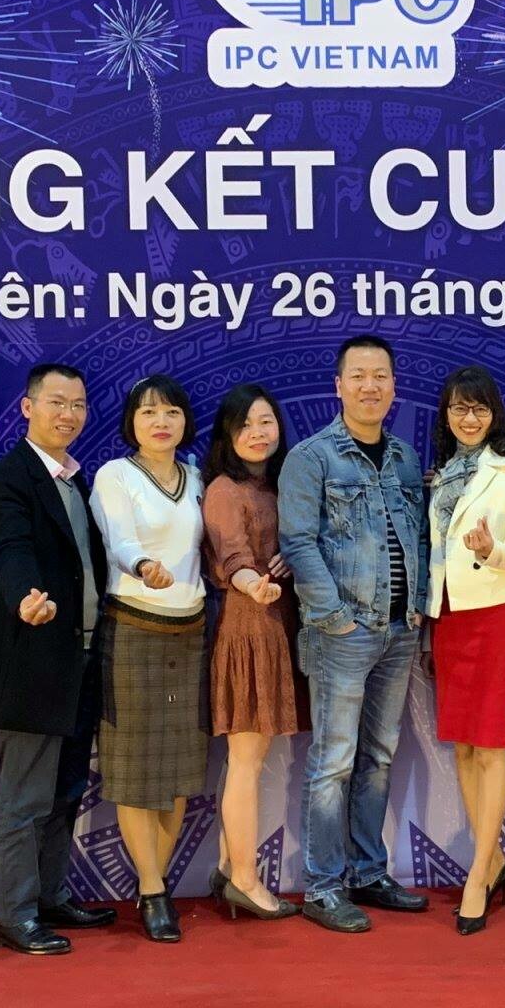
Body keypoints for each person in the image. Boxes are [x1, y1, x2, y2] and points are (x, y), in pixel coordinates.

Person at [278, 334, 431, 933]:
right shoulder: (311, 457)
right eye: (359, 376)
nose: (371, 386)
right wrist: (334, 615)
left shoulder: (404, 458)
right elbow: (298, 542)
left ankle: (368, 873)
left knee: (379, 757)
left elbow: (418, 537)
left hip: (399, 630)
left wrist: (416, 609)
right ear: (338, 385)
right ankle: (322, 886)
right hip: (341, 633)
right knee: (333, 762)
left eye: (381, 376)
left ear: (394, 387)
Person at [0, 364, 118, 956]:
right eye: (57, 402)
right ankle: (12, 914)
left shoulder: (77, 482)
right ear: (27, 407)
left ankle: (50, 896)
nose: (68, 414)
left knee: (66, 789)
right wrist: (25, 597)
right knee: (26, 796)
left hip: (81, 657)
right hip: (33, 660)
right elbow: (11, 549)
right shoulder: (10, 478)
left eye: (78, 404)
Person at [91, 375, 210, 944]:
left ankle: (152, 883)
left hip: (192, 633)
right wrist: (142, 566)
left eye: (171, 412)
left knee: (181, 768)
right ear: (131, 423)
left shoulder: (198, 478)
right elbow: (119, 539)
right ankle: (154, 888)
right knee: (137, 771)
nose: (161, 422)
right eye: (148, 413)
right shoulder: (115, 475)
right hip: (134, 629)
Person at [426, 365, 505, 936]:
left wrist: (492, 550)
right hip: (447, 615)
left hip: (493, 612)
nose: (468, 419)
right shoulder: (443, 471)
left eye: (479, 408)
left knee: (490, 745)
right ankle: (491, 861)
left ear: (494, 413)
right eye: (458, 408)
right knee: (464, 747)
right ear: (446, 415)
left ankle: (477, 876)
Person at [201, 384, 302, 922]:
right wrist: (252, 583)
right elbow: (233, 556)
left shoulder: (281, 484)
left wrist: (289, 558)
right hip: (249, 623)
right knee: (246, 759)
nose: (258, 433)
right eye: (245, 425)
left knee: (249, 760)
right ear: (227, 434)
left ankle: (226, 867)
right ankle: (245, 878)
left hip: (279, 619)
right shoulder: (224, 489)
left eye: (266, 422)